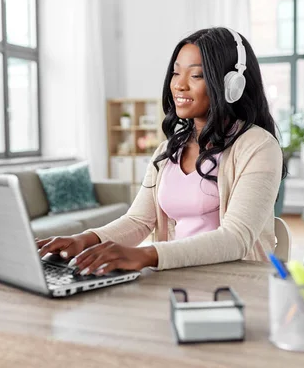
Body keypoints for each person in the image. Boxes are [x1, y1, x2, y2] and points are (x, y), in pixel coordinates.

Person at [37, 27, 286, 276]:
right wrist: (86, 239)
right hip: (177, 277)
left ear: (232, 84)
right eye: (176, 73)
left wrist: (147, 255)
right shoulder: (168, 151)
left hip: (237, 285)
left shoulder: (258, 147)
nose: (179, 85)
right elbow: (138, 221)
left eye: (196, 75)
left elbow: (236, 238)